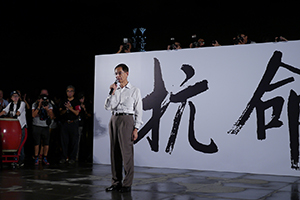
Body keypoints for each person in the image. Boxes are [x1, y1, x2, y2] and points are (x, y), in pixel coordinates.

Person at [104, 63, 143, 193]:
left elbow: (139, 110)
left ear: (127, 73)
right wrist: (112, 92)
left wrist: (136, 128)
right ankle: (116, 182)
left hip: (127, 120)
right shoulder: (115, 90)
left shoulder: (134, 90)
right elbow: (108, 107)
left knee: (126, 153)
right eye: (116, 73)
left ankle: (127, 184)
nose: (117, 76)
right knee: (114, 152)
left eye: (120, 73)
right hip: (114, 119)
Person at [0, 91, 27, 166]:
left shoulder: (22, 103)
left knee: (20, 144)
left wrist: (15, 115)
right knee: (14, 144)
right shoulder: (10, 104)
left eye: (17, 96)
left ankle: (21, 160)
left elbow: (19, 111)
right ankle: (14, 160)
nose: (15, 97)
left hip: (21, 127)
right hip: (14, 129)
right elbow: (4, 111)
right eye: (14, 96)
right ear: (11, 98)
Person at [59, 85, 81, 164]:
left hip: (73, 123)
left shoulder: (76, 101)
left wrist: (70, 108)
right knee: (64, 141)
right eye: (68, 91)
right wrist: (66, 109)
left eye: (71, 91)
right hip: (65, 123)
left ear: (74, 92)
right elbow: (60, 112)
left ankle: (72, 158)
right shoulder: (63, 101)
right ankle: (64, 157)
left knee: (74, 142)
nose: (69, 93)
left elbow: (77, 113)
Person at [32, 91, 54, 165]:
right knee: (37, 142)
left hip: (45, 126)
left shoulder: (49, 105)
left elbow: (52, 116)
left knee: (46, 143)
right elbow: (33, 115)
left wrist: (47, 109)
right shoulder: (35, 104)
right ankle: (36, 158)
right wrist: (39, 107)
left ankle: (45, 157)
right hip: (37, 125)